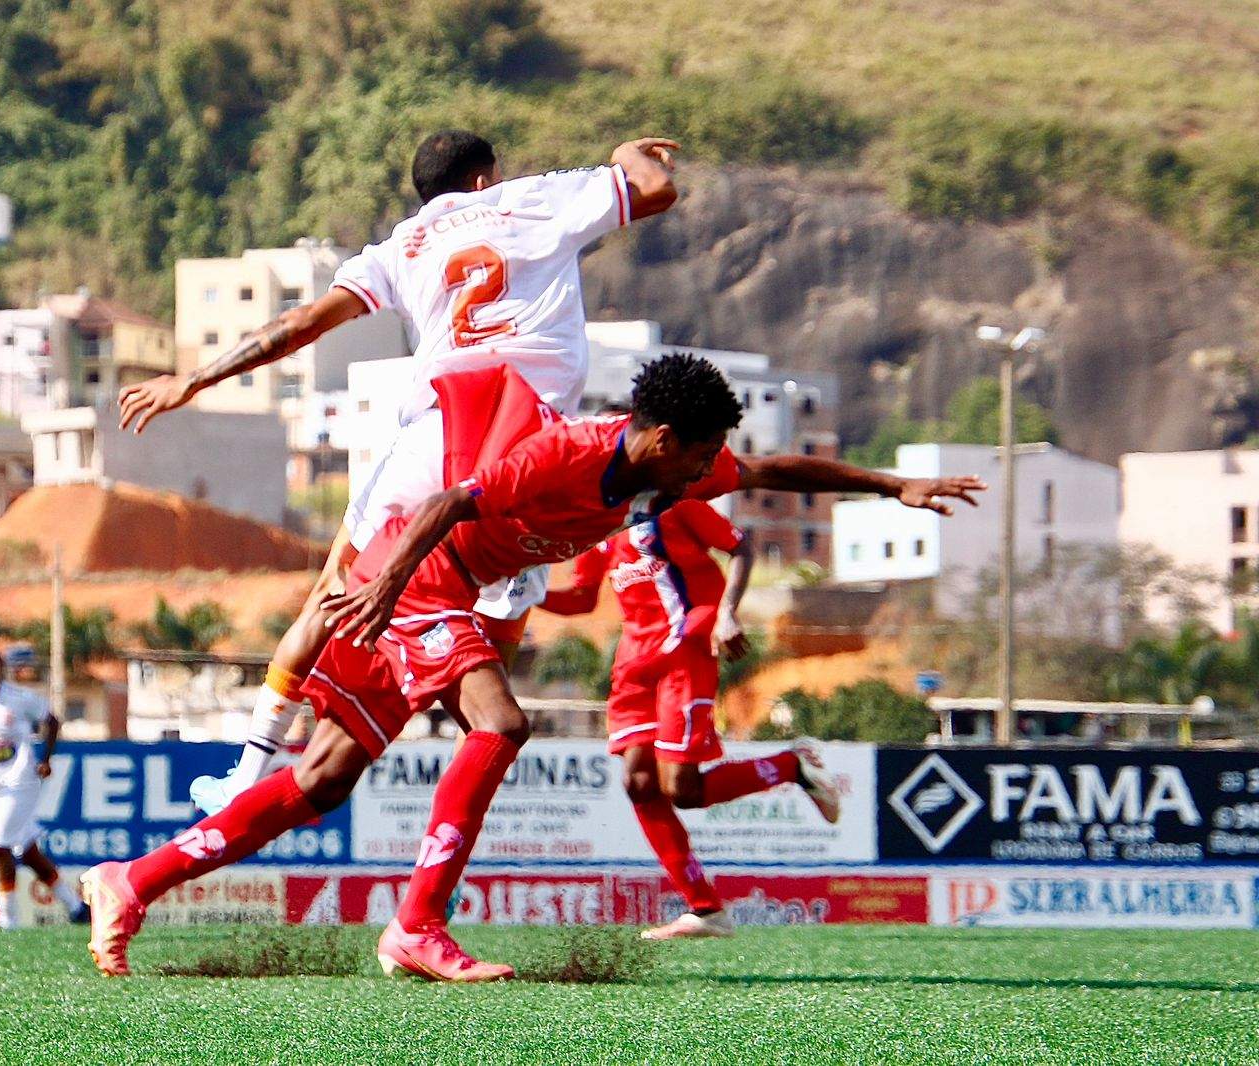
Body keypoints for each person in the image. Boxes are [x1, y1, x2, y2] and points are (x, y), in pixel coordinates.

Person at [82, 355, 985, 979]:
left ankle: (132, 882)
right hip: (417, 577)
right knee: (504, 723)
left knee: (321, 781)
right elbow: (447, 501)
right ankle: (416, 929)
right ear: (662, 435)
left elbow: (779, 469)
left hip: (436, 589)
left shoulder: (668, 473)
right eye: (703, 452)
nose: (713, 469)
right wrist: (387, 587)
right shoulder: (566, 455)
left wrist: (888, 486)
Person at [115, 129, 682, 814]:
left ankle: (249, 768)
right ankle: (471, 782)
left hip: (435, 439)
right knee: (498, 610)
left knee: (331, 589)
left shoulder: (402, 246)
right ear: (484, 180)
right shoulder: (533, 200)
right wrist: (626, 153)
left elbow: (300, 325)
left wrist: (196, 380)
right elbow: (655, 188)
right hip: (528, 451)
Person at [541, 499, 790, 939]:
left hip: (686, 649)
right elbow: (581, 597)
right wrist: (520, 594)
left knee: (682, 789)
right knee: (638, 783)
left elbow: (741, 548)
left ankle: (793, 765)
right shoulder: (595, 522)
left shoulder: (675, 504)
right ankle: (705, 909)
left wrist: (726, 613)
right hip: (634, 665)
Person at [0, 646, 88, 929]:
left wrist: (46, 759)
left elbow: (51, 720)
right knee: (27, 852)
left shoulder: (19, 698)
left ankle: (7, 920)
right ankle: (77, 908)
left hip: (22, 780)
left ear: (2, 669)